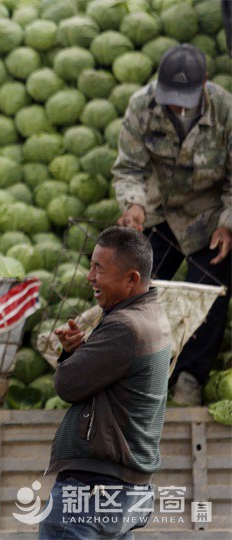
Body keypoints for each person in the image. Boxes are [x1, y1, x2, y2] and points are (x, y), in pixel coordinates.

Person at [112, 43, 232, 406]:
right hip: (158, 209)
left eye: (185, 98)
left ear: (205, 84)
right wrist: (133, 205)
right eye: (171, 97)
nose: (177, 106)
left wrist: (227, 224)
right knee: (136, 291)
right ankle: (137, 374)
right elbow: (129, 167)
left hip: (208, 215)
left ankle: (190, 378)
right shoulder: (142, 105)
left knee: (206, 298)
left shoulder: (226, 109)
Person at [39, 226, 171, 539]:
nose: (90, 276)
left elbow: (68, 385)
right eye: (91, 265)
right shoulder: (153, 316)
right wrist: (78, 352)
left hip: (93, 488)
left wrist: (70, 360)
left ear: (131, 279)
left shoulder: (125, 327)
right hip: (122, 488)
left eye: (100, 268)